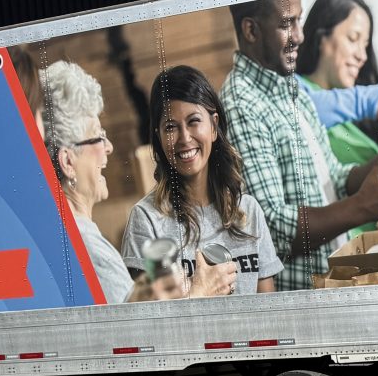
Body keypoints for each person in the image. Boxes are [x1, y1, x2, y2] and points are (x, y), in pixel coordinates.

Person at [220, 0, 378, 291]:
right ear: (251, 31)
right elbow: (271, 231)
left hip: (329, 282)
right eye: (287, 24)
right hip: (302, 300)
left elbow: (334, 178)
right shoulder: (241, 105)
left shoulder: (289, 88)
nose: (299, 35)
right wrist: (364, 206)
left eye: (299, 20)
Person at [38, 60, 233, 304]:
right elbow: (136, 337)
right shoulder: (85, 246)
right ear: (67, 162)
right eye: (97, 137)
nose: (108, 147)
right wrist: (200, 291)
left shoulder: (58, 234)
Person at [122, 66, 282, 296]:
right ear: (158, 136)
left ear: (214, 126)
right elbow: (144, 322)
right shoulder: (146, 220)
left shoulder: (249, 211)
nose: (185, 138)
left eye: (194, 121)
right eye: (170, 127)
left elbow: (269, 314)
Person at [294, 0, 378, 166]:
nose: (362, 56)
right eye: (353, 39)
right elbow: (298, 112)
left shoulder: (353, 117)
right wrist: (366, 99)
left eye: (365, 45)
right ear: (322, 37)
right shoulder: (293, 90)